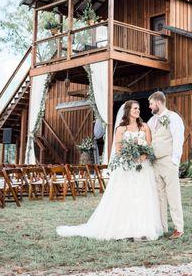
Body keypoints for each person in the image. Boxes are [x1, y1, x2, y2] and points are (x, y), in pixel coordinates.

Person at [56, 100, 163, 241]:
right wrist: (131, 157)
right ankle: (126, 229)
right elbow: (118, 150)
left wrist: (142, 157)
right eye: (135, 108)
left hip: (143, 168)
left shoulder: (144, 127)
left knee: (143, 197)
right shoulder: (121, 129)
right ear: (128, 111)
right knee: (127, 198)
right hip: (127, 168)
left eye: (138, 108)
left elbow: (149, 146)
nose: (138, 110)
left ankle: (143, 229)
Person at [147, 91, 185, 239]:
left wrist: (175, 160)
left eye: (151, 103)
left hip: (168, 162)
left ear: (158, 102)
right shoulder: (151, 121)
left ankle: (179, 228)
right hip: (154, 163)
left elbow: (178, 139)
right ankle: (163, 228)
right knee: (160, 197)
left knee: (173, 195)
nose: (149, 107)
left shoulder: (173, 117)